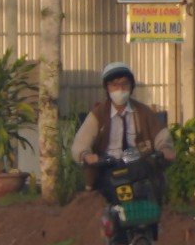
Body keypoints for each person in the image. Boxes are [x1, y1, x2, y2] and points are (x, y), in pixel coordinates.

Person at [71, 62, 177, 191]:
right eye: (114, 85)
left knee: (152, 198)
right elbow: (80, 143)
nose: (120, 89)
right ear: (107, 88)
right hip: (106, 169)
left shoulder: (144, 112)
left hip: (139, 170)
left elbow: (161, 135)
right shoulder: (98, 114)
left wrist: (165, 148)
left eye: (125, 84)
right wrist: (86, 155)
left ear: (131, 87)